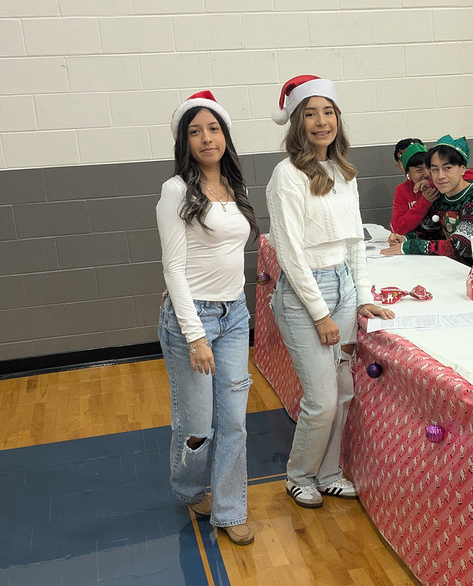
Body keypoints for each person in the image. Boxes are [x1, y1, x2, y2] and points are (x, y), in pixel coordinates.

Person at [265, 75, 396, 508]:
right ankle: (298, 474)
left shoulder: (342, 171)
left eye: (328, 112)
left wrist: (361, 297)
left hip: (341, 285)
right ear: (297, 122)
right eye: (310, 113)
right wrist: (321, 313)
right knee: (321, 401)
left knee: (343, 391)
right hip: (307, 296)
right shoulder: (286, 175)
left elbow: (354, 243)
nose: (321, 122)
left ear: (338, 119)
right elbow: (290, 253)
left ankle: (329, 472)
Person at [156, 91, 259, 545]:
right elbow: (173, 268)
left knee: (234, 419)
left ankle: (230, 509)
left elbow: (232, 248)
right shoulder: (176, 190)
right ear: (185, 141)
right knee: (198, 425)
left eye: (213, 129)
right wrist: (195, 336)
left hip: (234, 314)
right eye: (195, 131)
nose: (206, 138)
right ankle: (190, 487)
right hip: (190, 322)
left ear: (225, 134)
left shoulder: (235, 186)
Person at [381, 135, 473, 267]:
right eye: (435, 169)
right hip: (455, 268)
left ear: (462, 169)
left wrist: (408, 246)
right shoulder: (441, 197)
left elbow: (457, 247)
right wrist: (404, 239)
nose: (440, 176)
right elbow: (425, 232)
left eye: (447, 168)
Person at [389, 138, 473, 236]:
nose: (426, 173)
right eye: (418, 170)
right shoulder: (403, 190)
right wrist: (424, 202)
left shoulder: (446, 188)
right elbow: (399, 228)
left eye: (429, 168)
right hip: (435, 245)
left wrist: (433, 183)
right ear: (406, 172)